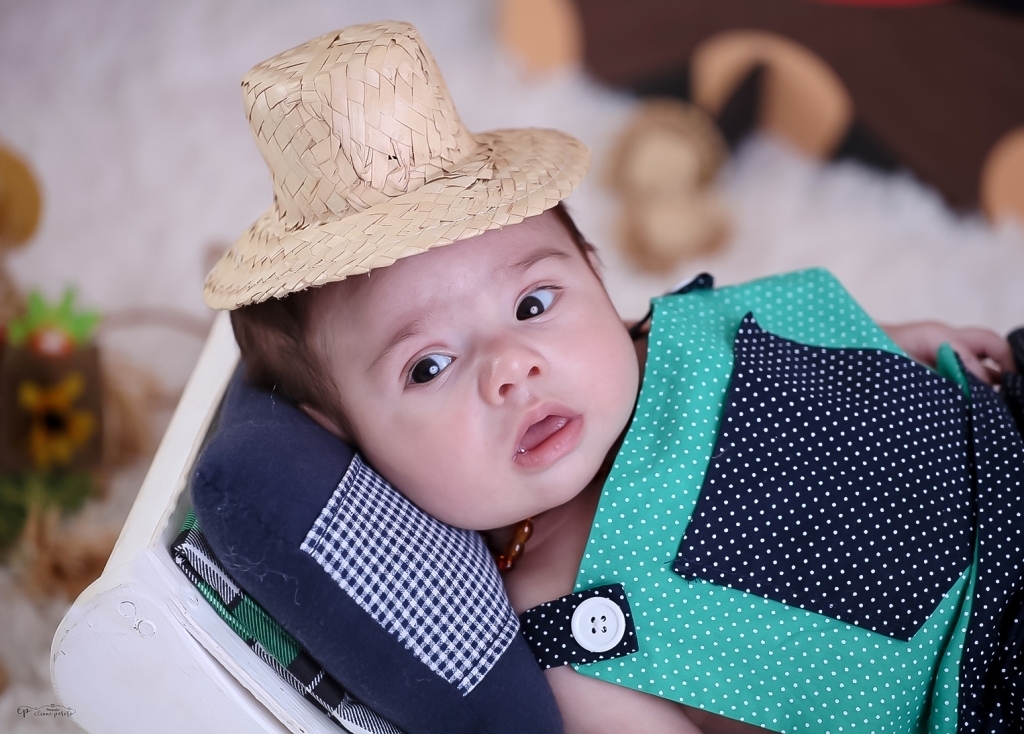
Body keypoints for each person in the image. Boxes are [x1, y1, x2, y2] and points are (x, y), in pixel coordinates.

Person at [205, 21, 1022, 734]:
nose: (511, 367)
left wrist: (905, 338)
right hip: (985, 672)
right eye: (429, 365)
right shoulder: (564, 628)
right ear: (346, 433)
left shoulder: (669, 336)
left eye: (533, 304)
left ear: (597, 278)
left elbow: (807, 346)